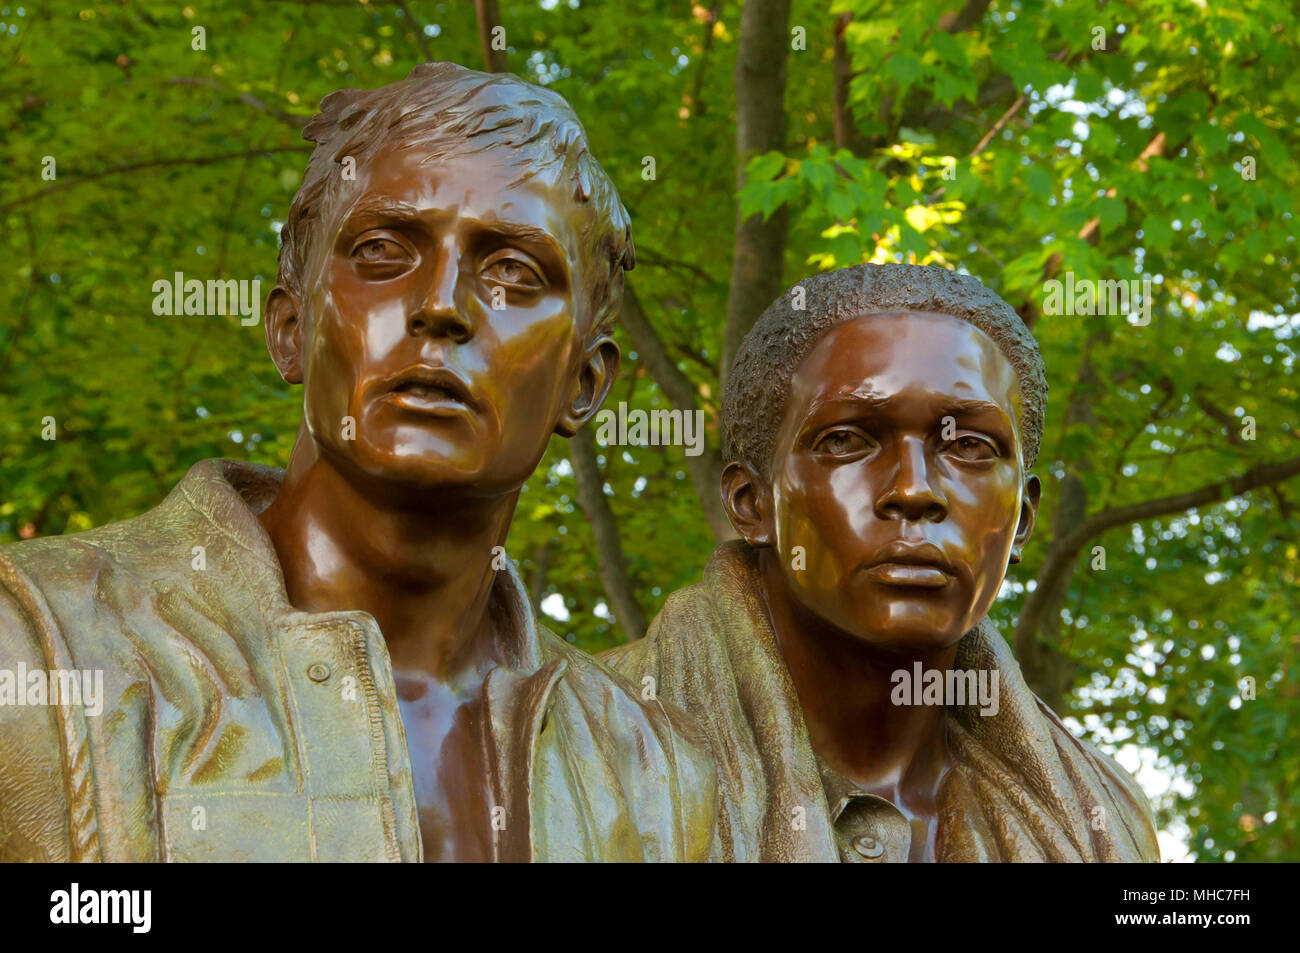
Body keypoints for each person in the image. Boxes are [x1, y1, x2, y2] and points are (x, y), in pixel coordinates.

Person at [0, 62, 714, 863]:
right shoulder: (40, 652)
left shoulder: (657, 775)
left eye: (515, 269)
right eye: (382, 250)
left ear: (583, 385)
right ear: (289, 329)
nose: (442, 304)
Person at [603, 263, 1159, 862]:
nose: (915, 491)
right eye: (847, 440)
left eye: (970, 446)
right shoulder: (575, 741)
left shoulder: (1108, 816)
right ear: (752, 502)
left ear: (1021, 519)